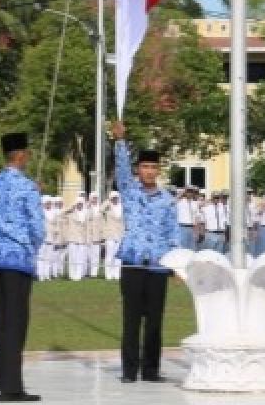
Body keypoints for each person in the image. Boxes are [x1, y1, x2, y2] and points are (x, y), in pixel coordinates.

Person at [109, 120, 178, 384]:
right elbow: (121, 169)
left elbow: (173, 233)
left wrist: (176, 265)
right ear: (138, 170)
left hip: (158, 265)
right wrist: (120, 142)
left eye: (153, 167)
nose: (149, 171)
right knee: (131, 319)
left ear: (158, 170)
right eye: (145, 167)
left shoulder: (168, 199)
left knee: (155, 321)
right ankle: (129, 370)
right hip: (134, 263)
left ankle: (151, 370)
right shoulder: (129, 192)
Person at [0, 131, 45, 403]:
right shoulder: (27, 187)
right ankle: (11, 387)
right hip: (18, 261)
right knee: (15, 324)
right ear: (21, 154)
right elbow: (37, 228)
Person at [101, 191, 124, 281]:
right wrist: (108, 201)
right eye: (113, 197)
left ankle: (116, 273)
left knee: (118, 256)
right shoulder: (108, 208)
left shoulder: (122, 207)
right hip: (110, 234)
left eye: (116, 197)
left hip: (119, 234)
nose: (115, 199)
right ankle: (108, 274)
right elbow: (101, 209)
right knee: (109, 254)